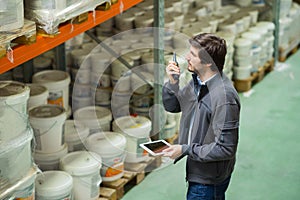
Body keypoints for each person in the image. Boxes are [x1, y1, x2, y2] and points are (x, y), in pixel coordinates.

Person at [162, 33, 241, 200]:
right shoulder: (198, 82)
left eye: (193, 54)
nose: (186, 57)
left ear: (207, 63)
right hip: (199, 169)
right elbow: (173, 106)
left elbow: (225, 148)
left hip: (208, 180)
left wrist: (186, 149)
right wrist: (173, 84)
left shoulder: (224, 98)